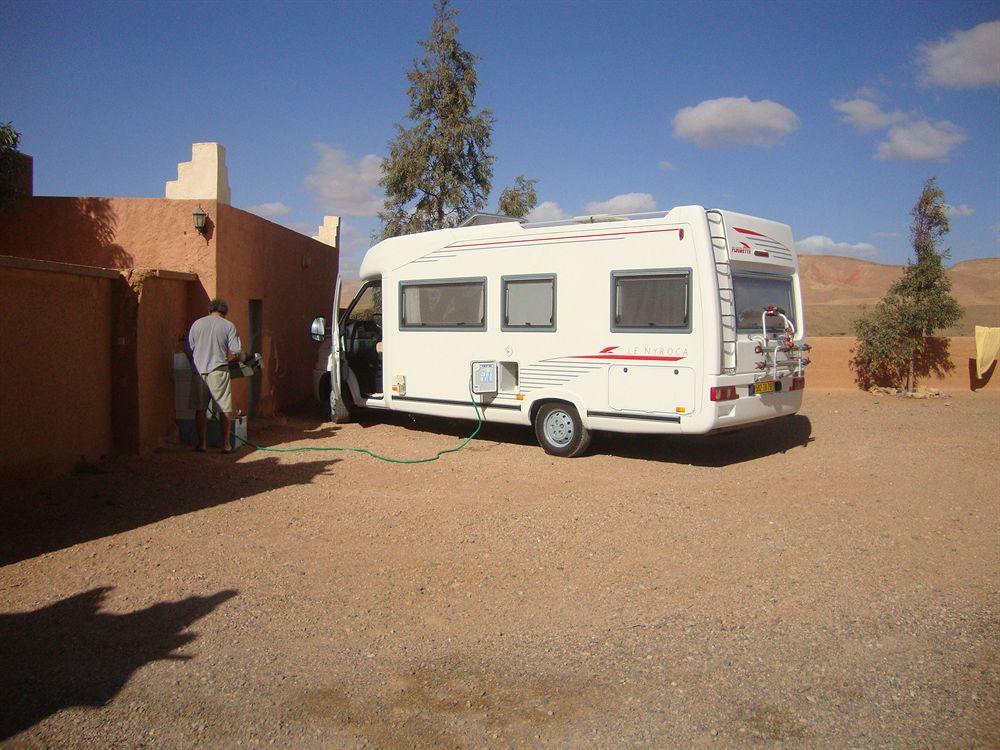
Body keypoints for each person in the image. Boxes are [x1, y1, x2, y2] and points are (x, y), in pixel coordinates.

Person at [188, 299, 247, 453]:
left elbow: (190, 347)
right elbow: (236, 351)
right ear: (224, 313)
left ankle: (202, 444)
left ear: (210, 310)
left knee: (200, 409)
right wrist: (239, 358)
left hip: (199, 371)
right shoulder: (228, 326)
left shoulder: (197, 324)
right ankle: (226, 445)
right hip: (218, 370)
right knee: (224, 408)